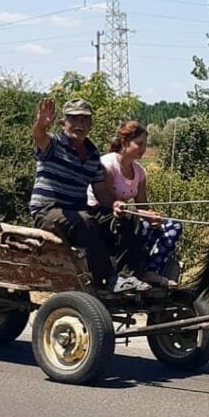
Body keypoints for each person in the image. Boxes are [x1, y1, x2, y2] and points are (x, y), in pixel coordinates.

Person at [30, 96, 148, 292]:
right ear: (63, 123)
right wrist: (40, 125)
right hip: (48, 211)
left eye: (84, 119)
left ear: (91, 124)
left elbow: (101, 191)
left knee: (129, 219)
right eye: (74, 119)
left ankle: (128, 277)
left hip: (79, 212)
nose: (79, 124)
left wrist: (115, 205)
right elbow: (39, 137)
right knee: (84, 220)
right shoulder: (54, 144)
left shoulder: (93, 154)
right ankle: (108, 278)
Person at [90, 120, 183, 288]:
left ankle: (150, 271)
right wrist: (139, 214)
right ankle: (125, 274)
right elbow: (106, 199)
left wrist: (152, 217)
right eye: (139, 144)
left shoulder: (139, 172)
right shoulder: (108, 164)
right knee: (134, 223)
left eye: (145, 145)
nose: (143, 149)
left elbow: (142, 207)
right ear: (125, 143)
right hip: (103, 215)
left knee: (172, 226)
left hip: (126, 215)